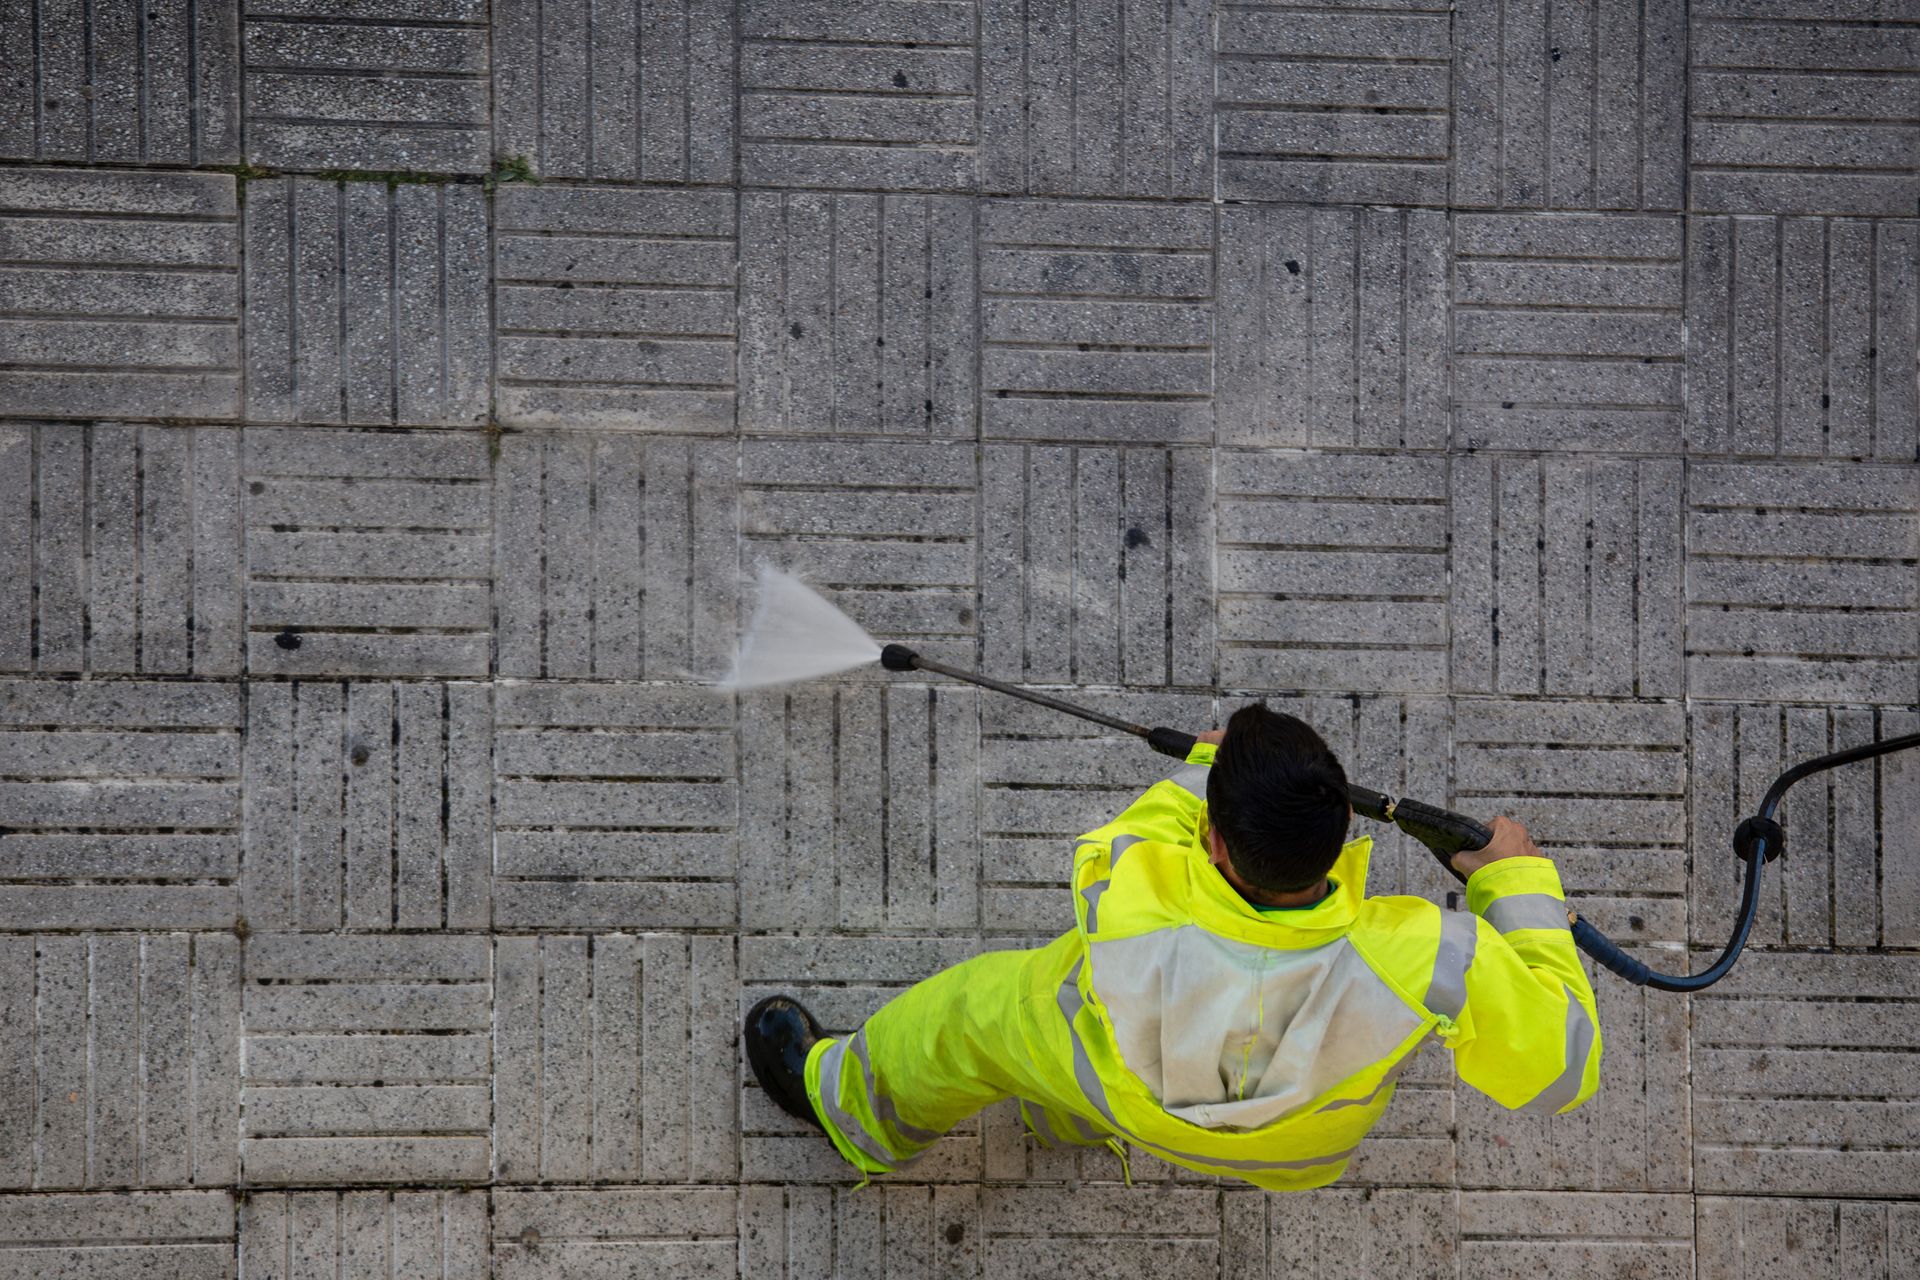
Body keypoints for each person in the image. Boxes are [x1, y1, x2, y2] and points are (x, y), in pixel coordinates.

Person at [744, 702, 1601, 1190]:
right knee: (1062, 1039)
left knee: (973, 1012)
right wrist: (1517, 885)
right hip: (1293, 1151)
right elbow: (1564, 1068)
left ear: (1217, 845)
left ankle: (850, 1107)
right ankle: (1063, 1126)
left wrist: (1202, 767)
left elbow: (1145, 828)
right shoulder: (1430, 954)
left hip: (1120, 1085)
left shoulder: (1132, 889)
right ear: (1344, 829)